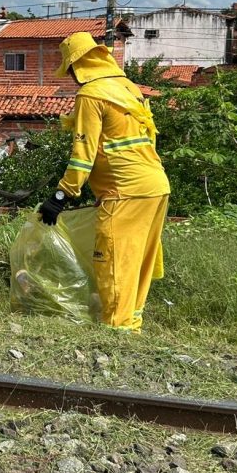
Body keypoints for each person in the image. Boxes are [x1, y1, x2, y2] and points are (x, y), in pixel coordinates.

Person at [40, 32, 170, 332]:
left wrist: (61, 197)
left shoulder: (91, 95)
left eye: (70, 69)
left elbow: (83, 153)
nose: (71, 76)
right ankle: (131, 325)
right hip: (155, 185)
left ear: (78, 66)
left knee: (112, 263)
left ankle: (117, 330)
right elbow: (144, 139)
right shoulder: (128, 88)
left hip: (125, 191)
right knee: (136, 263)